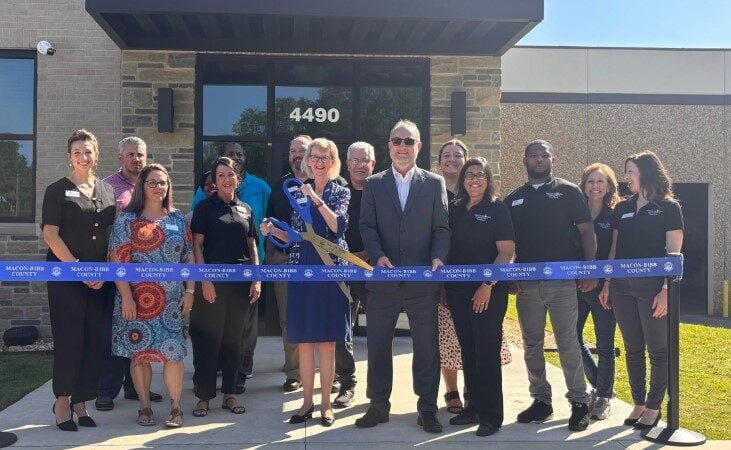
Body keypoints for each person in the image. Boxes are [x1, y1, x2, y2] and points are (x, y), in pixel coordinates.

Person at [356, 119, 450, 433]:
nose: (402, 147)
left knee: (426, 347)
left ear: (418, 146)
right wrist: (378, 254)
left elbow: (441, 228)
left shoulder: (434, 183)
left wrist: (439, 256)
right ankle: (378, 405)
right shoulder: (374, 183)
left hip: (423, 282)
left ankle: (427, 409)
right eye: (397, 141)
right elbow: (366, 226)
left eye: (409, 141)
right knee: (378, 345)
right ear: (389, 146)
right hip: (383, 281)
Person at [503, 139, 596, 432]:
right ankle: (541, 401)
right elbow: (507, 244)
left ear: (552, 159)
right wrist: (509, 276)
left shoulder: (568, 192)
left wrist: (590, 267)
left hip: (562, 283)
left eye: (544, 154)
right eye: (534, 155)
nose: (539, 159)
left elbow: (586, 231)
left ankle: (579, 403)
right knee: (532, 344)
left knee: (567, 342)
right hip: (527, 286)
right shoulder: (514, 199)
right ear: (525, 160)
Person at [261, 138, 351, 427]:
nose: (319, 161)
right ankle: (307, 404)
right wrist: (273, 231)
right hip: (301, 269)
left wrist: (316, 200)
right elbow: (296, 237)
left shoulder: (340, 190)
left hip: (331, 272)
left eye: (326, 157)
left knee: (326, 343)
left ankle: (326, 405)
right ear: (307, 160)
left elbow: (337, 226)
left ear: (333, 161)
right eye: (315, 156)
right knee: (304, 343)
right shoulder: (297, 193)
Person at [599, 151, 683, 430]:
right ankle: (638, 402)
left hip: (653, 288)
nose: (626, 177)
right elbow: (614, 249)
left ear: (646, 172)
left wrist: (665, 291)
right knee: (633, 348)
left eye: (630, 171)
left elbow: (674, 254)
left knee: (657, 350)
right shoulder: (622, 208)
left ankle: (654, 406)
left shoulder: (669, 208)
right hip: (621, 287)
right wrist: (608, 283)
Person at [42, 129, 116, 431]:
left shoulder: (107, 190)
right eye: (77, 152)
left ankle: (81, 401)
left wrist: (104, 270)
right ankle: (62, 400)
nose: (83, 157)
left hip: (100, 277)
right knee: (70, 338)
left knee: (95, 340)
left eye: (88, 151)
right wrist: (78, 269)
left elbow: (112, 235)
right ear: (69, 157)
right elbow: (50, 234)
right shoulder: (57, 190)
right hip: (66, 275)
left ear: (96, 154)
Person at [109, 164, 195, 427]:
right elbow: (117, 260)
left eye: (163, 182)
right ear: (141, 187)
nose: (159, 187)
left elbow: (188, 255)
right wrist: (126, 297)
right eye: (152, 183)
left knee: (174, 355)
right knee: (140, 354)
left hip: (171, 301)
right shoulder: (127, 219)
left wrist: (190, 290)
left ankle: (176, 408)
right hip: (137, 300)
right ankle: (144, 407)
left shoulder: (178, 219)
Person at [445, 157, 515, 437]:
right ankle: (472, 408)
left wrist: (487, 284)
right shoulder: (455, 208)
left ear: (488, 179)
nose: (475, 179)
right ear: (462, 179)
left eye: (480, 175)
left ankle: (491, 416)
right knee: (469, 351)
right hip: (457, 291)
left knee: (486, 352)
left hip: (488, 291)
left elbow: (506, 252)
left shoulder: (497, 208)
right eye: (470, 174)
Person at [189, 157, 262, 417]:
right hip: (212, 284)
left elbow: (252, 245)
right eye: (221, 175)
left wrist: (256, 278)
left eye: (231, 174)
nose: (226, 179)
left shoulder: (246, 210)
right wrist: (204, 280)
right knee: (208, 341)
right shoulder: (204, 208)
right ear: (215, 181)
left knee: (234, 341)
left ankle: (230, 394)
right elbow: (197, 246)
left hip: (241, 284)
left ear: (238, 179)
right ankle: (203, 396)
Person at [96, 136, 162, 411]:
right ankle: (106, 390)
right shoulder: (107, 187)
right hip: (116, 269)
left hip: (145, 274)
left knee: (139, 330)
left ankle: (136, 388)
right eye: (131, 154)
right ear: (120, 157)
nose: (137, 159)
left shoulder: (151, 185)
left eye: (141, 155)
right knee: (114, 331)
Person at [266, 134, 311, 392]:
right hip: (286, 260)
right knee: (289, 318)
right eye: (293, 150)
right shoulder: (279, 187)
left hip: (319, 262)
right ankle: (294, 372)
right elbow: (271, 224)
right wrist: (271, 257)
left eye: (302, 150)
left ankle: (330, 370)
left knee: (321, 315)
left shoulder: (324, 184)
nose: (297, 154)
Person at [334, 141, 376, 408]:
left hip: (373, 272)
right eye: (355, 160)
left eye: (366, 160)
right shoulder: (337, 192)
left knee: (379, 332)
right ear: (347, 164)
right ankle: (347, 383)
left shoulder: (383, 191)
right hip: (342, 271)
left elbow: (390, 229)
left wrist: (364, 257)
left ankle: (378, 389)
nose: (360, 165)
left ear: (373, 164)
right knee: (342, 330)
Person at [577, 163, 620, 420]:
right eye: (590, 182)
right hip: (576, 285)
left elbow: (614, 251)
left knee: (605, 344)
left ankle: (603, 396)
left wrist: (607, 283)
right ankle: (600, 384)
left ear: (609, 186)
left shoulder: (615, 214)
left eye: (600, 182)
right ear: (584, 185)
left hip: (603, 288)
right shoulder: (576, 212)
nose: (595, 186)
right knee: (570, 337)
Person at [436, 139, 468, 414]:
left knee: (473, 335)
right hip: (442, 272)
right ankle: (452, 391)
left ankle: (474, 388)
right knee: (447, 336)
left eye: (458, 155)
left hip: (473, 274)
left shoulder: (475, 189)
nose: (452, 159)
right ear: (439, 161)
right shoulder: (432, 190)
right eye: (447, 155)